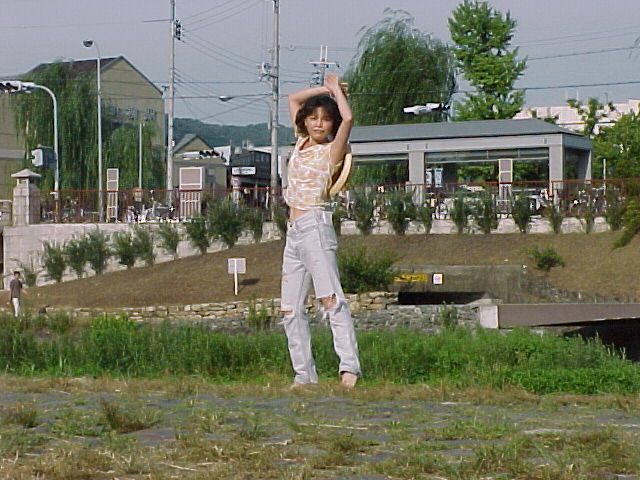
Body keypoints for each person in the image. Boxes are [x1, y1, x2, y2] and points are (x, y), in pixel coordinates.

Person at [281, 73, 361, 389]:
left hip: (315, 224)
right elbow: (293, 99)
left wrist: (337, 94)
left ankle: (349, 369)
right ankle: (304, 376)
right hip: (293, 230)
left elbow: (349, 118)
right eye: (313, 118)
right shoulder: (300, 142)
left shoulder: (331, 151)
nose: (318, 124)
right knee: (290, 309)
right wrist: (325, 89)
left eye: (325, 119)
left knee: (330, 299)